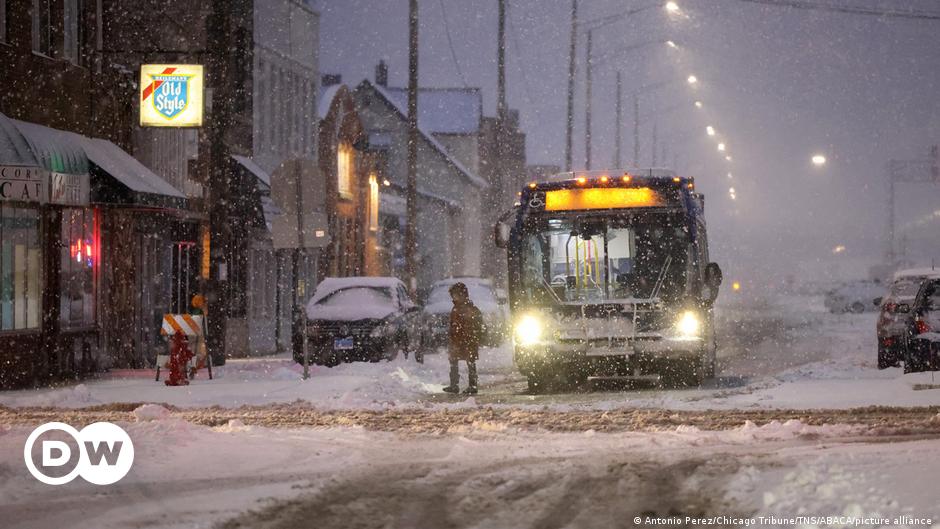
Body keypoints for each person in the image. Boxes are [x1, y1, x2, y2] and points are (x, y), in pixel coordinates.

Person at [442, 282, 483, 395]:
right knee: (454, 361)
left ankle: (472, 385)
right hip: (457, 340)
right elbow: (453, 325)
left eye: (455, 294)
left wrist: (470, 336)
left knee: (470, 362)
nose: (454, 297)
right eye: (453, 295)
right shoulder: (456, 309)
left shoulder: (468, 309)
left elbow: (473, 325)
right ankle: (454, 385)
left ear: (462, 295)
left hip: (467, 340)